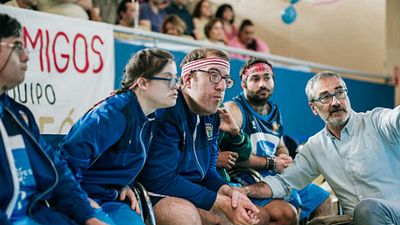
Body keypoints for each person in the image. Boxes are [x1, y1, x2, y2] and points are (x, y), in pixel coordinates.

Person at [246, 71, 400, 225]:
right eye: (325, 97)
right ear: (313, 107)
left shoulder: (376, 122)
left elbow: (395, 118)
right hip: (358, 220)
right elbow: (284, 182)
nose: (335, 102)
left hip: (394, 214)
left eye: (340, 93)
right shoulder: (316, 146)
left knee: (367, 208)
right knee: (317, 223)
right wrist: (244, 191)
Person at [138, 48, 264, 225]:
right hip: (155, 194)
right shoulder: (167, 111)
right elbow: (160, 179)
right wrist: (218, 201)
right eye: (214, 75)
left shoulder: (211, 115)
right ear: (188, 79)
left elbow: (207, 172)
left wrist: (227, 191)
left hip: (191, 191)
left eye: (225, 79)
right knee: (185, 216)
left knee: (241, 215)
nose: (221, 86)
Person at [0, 13, 105, 225]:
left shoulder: (18, 116)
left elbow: (57, 171)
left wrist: (87, 216)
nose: (26, 57)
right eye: (17, 47)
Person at [58, 48, 180, 225]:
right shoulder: (112, 115)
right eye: (169, 79)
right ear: (143, 83)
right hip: (80, 196)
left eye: (177, 79)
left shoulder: (148, 117)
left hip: (110, 198)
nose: (176, 85)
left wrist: (123, 183)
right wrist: (80, 200)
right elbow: (66, 161)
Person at [224, 58, 333, 223]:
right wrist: (272, 163)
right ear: (243, 84)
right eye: (255, 79)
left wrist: (284, 157)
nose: (262, 84)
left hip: (272, 175)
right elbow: (232, 158)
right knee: (287, 213)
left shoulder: (274, 110)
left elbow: (280, 145)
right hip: (243, 177)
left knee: (323, 199)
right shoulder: (233, 109)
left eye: (267, 78)